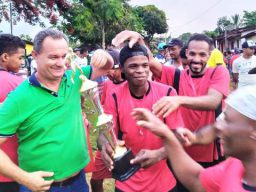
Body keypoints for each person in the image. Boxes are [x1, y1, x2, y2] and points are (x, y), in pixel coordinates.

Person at [0, 28, 113, 192]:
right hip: (41, 187)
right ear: (35, 56)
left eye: (63, 56)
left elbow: (105, 68)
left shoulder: (74, 77)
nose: (60, 63)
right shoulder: (19, 97)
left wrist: (105, 56)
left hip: (78, 182)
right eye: (53, 57)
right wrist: (24, 178)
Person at [112, 31, 229, 166]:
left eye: (202, 54)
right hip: (180, 152)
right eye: (192, 54)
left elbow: (213, 101)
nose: (197, 59)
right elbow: (147, 60)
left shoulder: (218, 72)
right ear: (186, 54)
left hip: (211, 151)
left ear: (209, 55)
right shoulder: (176, 76)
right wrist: (138, 37)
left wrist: (178, 100)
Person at [133, 85, 256, 192]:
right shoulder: (235, 165)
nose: (218, 126)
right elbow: (197, 180)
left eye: (228, 121)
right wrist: (167, 135)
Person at [99, 44, 179, 192]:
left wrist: (160, 154)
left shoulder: (168, 93)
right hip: (127, 181)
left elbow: (179, 137)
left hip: (163, 181)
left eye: (144, 65)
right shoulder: (114, 95)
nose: (140, 71)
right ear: (122, 68)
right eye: (133, 66)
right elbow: (104, 133)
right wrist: (104, 145)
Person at [90, 49, 125, 192]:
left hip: (123, 142)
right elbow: (102, 108)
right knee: (95, 180)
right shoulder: (108, 85)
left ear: (119, 67)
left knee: (123, 180)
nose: (106, 74)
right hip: (107, 140)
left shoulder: (132, 85)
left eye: (109, 70)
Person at [0, 34, 26, 192]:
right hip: (12, 168)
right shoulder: (20, 85)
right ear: (4, 57)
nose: (23, 62)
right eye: (20, 58)